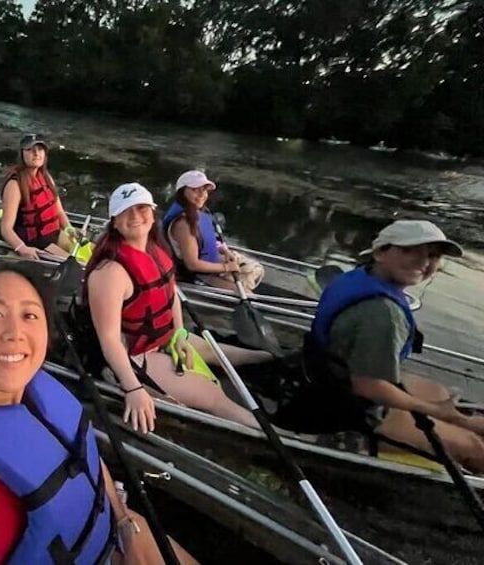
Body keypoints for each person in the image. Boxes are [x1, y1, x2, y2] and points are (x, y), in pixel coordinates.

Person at [0, 262, 196, 564]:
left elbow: (81, 455)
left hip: (116, 530)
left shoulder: (37, 388)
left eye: (29, 315)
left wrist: (123, 521)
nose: (15, 333)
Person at [86, 183, 273, 434]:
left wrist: (180, 333)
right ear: (115, 222)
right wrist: (133, 388)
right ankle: (280, 435)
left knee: (240, 356)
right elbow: (109, 339)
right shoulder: (109, 273)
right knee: (213, 397)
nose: (135, 216)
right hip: (136, 356)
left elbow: (171, 294)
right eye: (125, 211)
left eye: (141, 208)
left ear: (152, 215)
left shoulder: (157, 252)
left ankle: (274, 362)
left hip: (163, 337)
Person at [301, 220, 484, 472]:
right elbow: (367, 386)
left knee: (437, 391)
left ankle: (460, 420)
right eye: (410, 250)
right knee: (475, 448)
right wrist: (441, 413)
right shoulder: (383, 313)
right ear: (380, 252)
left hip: (328, 378)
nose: (423, 262)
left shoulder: (359, 275)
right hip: (350, 409)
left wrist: (449, 413)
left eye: (432, 255)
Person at [162, 170, 264, 292]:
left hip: (209, 263)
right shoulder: (183, 224)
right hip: (195, 274)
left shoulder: (199, 212)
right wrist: (226, 267)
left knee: (256, 269)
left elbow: (206, 240)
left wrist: (223, 249)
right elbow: (192, 264)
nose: (201, 195)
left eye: (204, 190)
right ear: (182, 192)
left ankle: (237, 285)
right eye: (195, 190)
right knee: (246, 293)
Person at [0, 134, 83, 261]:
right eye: (30, 150)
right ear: (22, 154)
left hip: (55, 235)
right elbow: (6, 228)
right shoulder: (15, 185)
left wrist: (70, 229)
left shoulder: (46, 176)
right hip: (38, 244)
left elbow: (59, 211)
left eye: (40, 149)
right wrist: (22, 249)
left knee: (94, 255)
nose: (36, 153)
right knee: (78, 265)